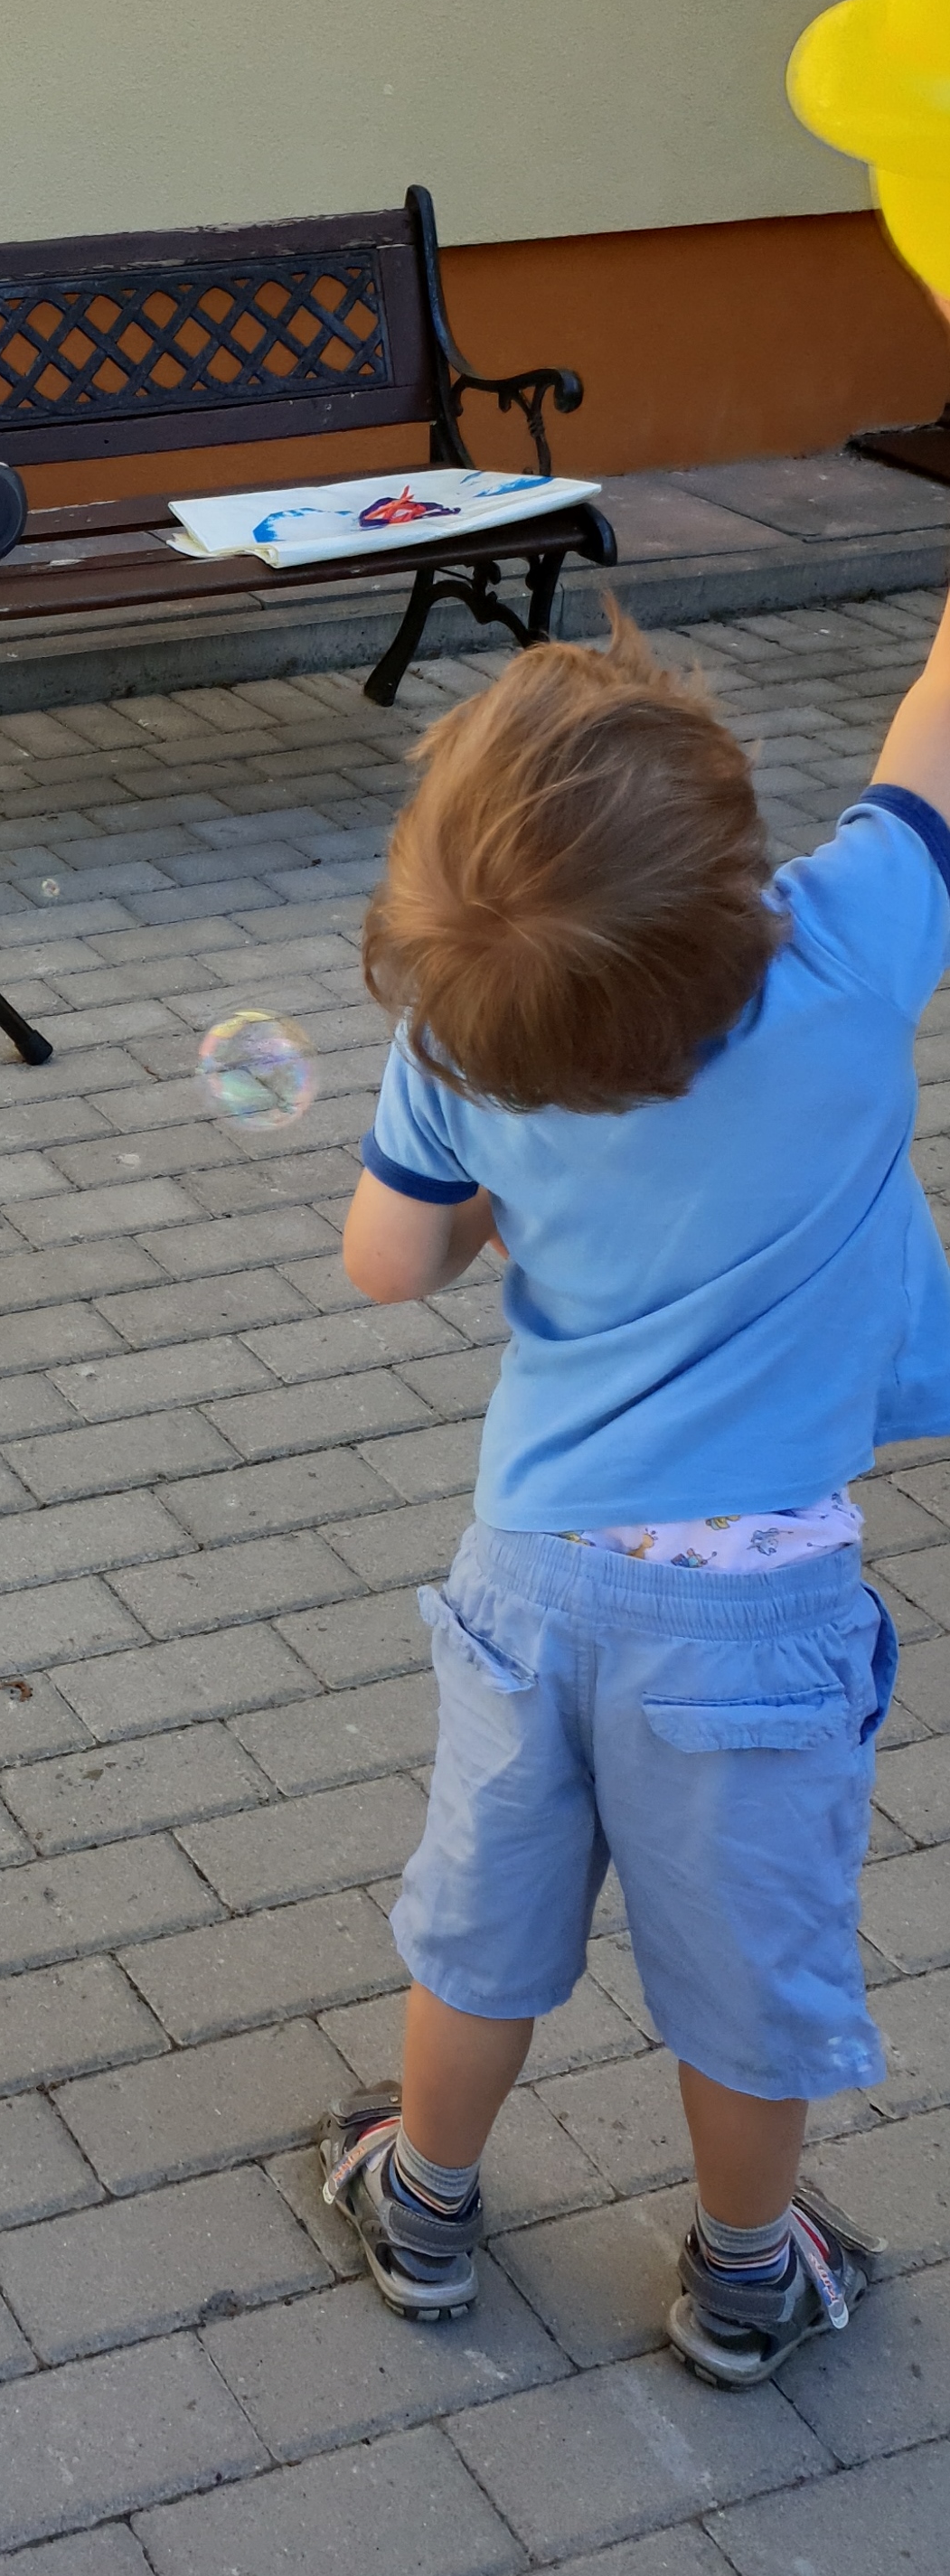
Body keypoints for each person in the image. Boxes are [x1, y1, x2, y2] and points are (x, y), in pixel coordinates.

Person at [333, 607, 936, 2385]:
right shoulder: (846, 951)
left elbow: (387, 1261)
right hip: (755, 1610)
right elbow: (934, 730)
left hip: (529, 1578)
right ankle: (747, 2274)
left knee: (482, 1930)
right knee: (745, 1983)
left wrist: (491, 1173)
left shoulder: (458, 1034)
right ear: (731, 854)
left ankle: (421, 2200)